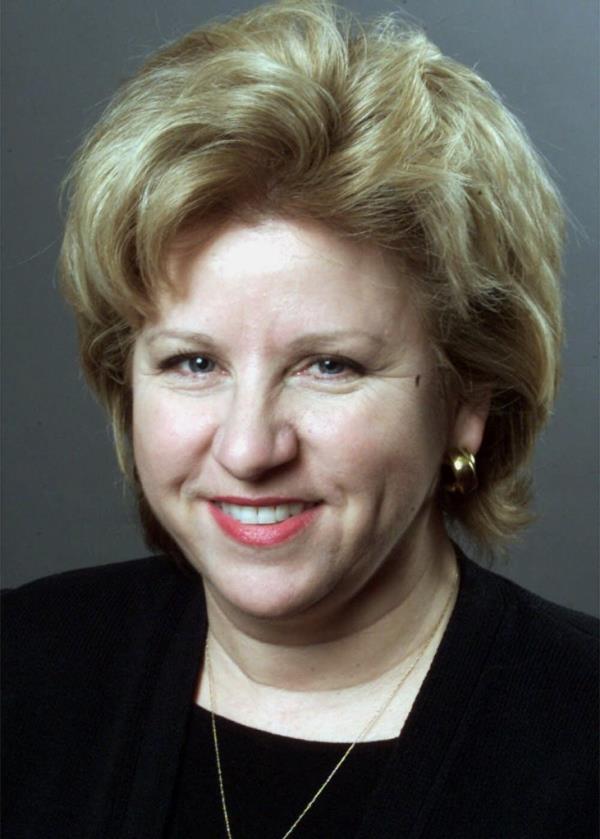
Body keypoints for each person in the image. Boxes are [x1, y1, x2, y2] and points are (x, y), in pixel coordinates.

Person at [2, 1, 597, 837]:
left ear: (468, 400)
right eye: (193, 362)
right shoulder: (21, 669)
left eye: (330, 365)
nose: (248, 448)